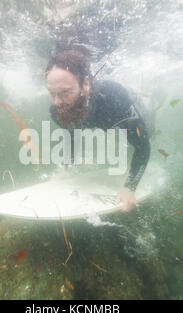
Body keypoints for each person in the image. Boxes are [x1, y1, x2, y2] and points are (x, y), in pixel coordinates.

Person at [45, 50, 152, 213]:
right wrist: (66, 169)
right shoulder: (58, 110)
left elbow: (142, 146)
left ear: (85, 84)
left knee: (148, 132)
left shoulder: (113, 98)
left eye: (65, 93)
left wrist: (130, 187)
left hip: (128, 103)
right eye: (52, 94)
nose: (57, 102)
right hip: (98, 115)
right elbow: (72, 138)